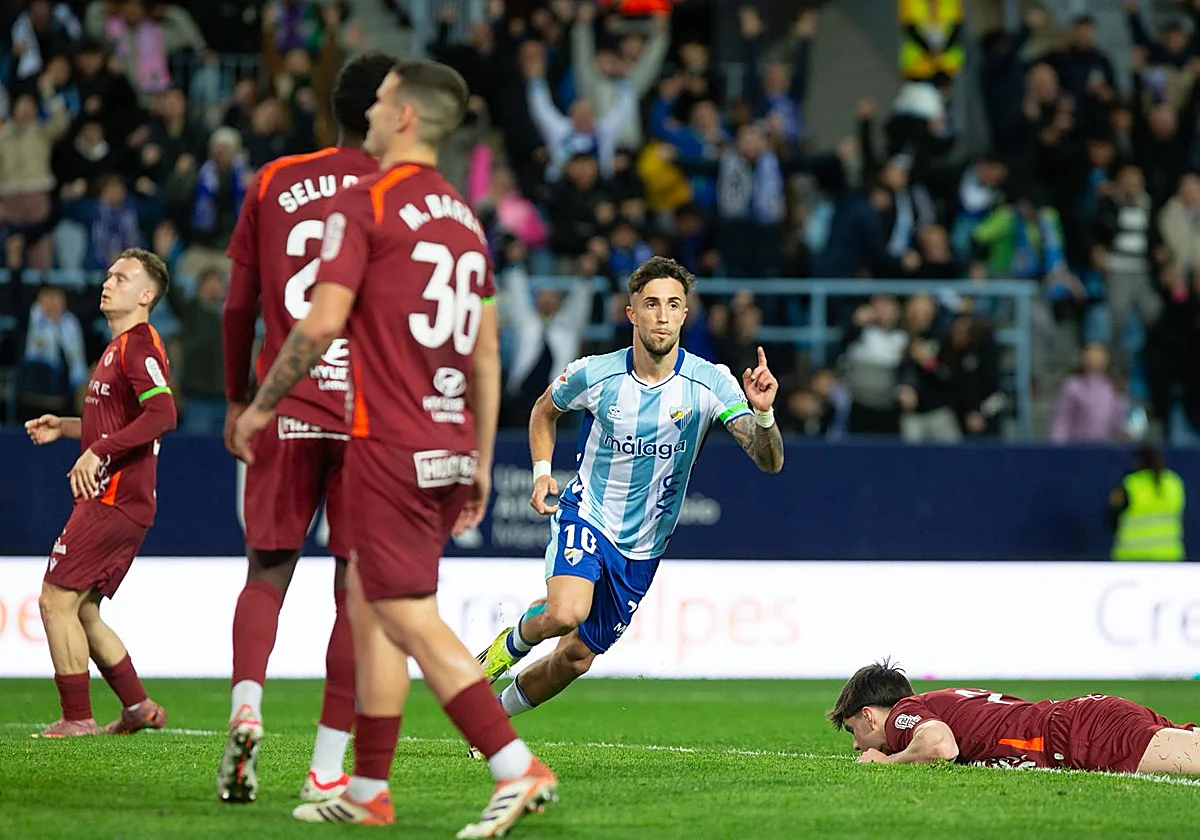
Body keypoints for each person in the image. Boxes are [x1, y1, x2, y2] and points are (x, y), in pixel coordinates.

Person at [230, 59, 558, 836]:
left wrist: (257, 408)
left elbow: (316, 326)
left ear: (405, 115)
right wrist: (480, 459)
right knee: (376, 613)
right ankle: (369, 785)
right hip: (446, 444)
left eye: (380, 102)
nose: (369, 112)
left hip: (384, 440)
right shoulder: (464, 219)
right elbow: (485, 354)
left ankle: (514, 766)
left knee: (407, 616)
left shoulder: (364, 202)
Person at [475, 255, 785, 725]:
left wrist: (763, 414)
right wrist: (542, 472)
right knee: (564, 613)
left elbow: (769, 461)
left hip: (643, 548)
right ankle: (506, 649)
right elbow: (543, 411)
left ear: (686, 314)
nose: (662, 315)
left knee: (576, 658)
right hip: (588, 514)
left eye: (673, 305)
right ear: (632, 312)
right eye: (652, 304)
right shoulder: (595, 374)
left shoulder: (711, 382)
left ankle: (490, 722)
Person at [216, 49, 398, 807]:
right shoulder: (400, 194)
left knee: (266, 569)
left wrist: (237, 398)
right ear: (385, 112)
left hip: (283, 402)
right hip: (365, 415)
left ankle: (246, 705)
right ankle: (326, 767)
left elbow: (236, 305)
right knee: (354, 592)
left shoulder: (273, 179)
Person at [24, 248, 176, 738]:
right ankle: (138, 707)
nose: (108, 282)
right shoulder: (118, 347)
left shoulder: (139, 345)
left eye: (123, 277)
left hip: (114, 498)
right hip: (116, 497)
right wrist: (69, 428)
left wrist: (98, 452)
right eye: (109, 274)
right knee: (82, 608)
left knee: (55, 600)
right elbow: (121, 419)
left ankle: (77, 718)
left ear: (146, 295)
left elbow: (163, 414)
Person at [829, 660, 1200, 774]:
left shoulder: (902, 716)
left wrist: (888, 760)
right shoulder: (936, 699)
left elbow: (940, 745)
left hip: (1079, 737)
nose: (856, 743)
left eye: (853, 730)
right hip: (1086, 718)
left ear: (869, 715)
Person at [1109, 445, 1187, 561]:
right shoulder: (1174, 483)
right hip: (1169, 556)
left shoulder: (1130, 485)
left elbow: (1112, 520)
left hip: (1132, 557)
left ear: (1138, 462)